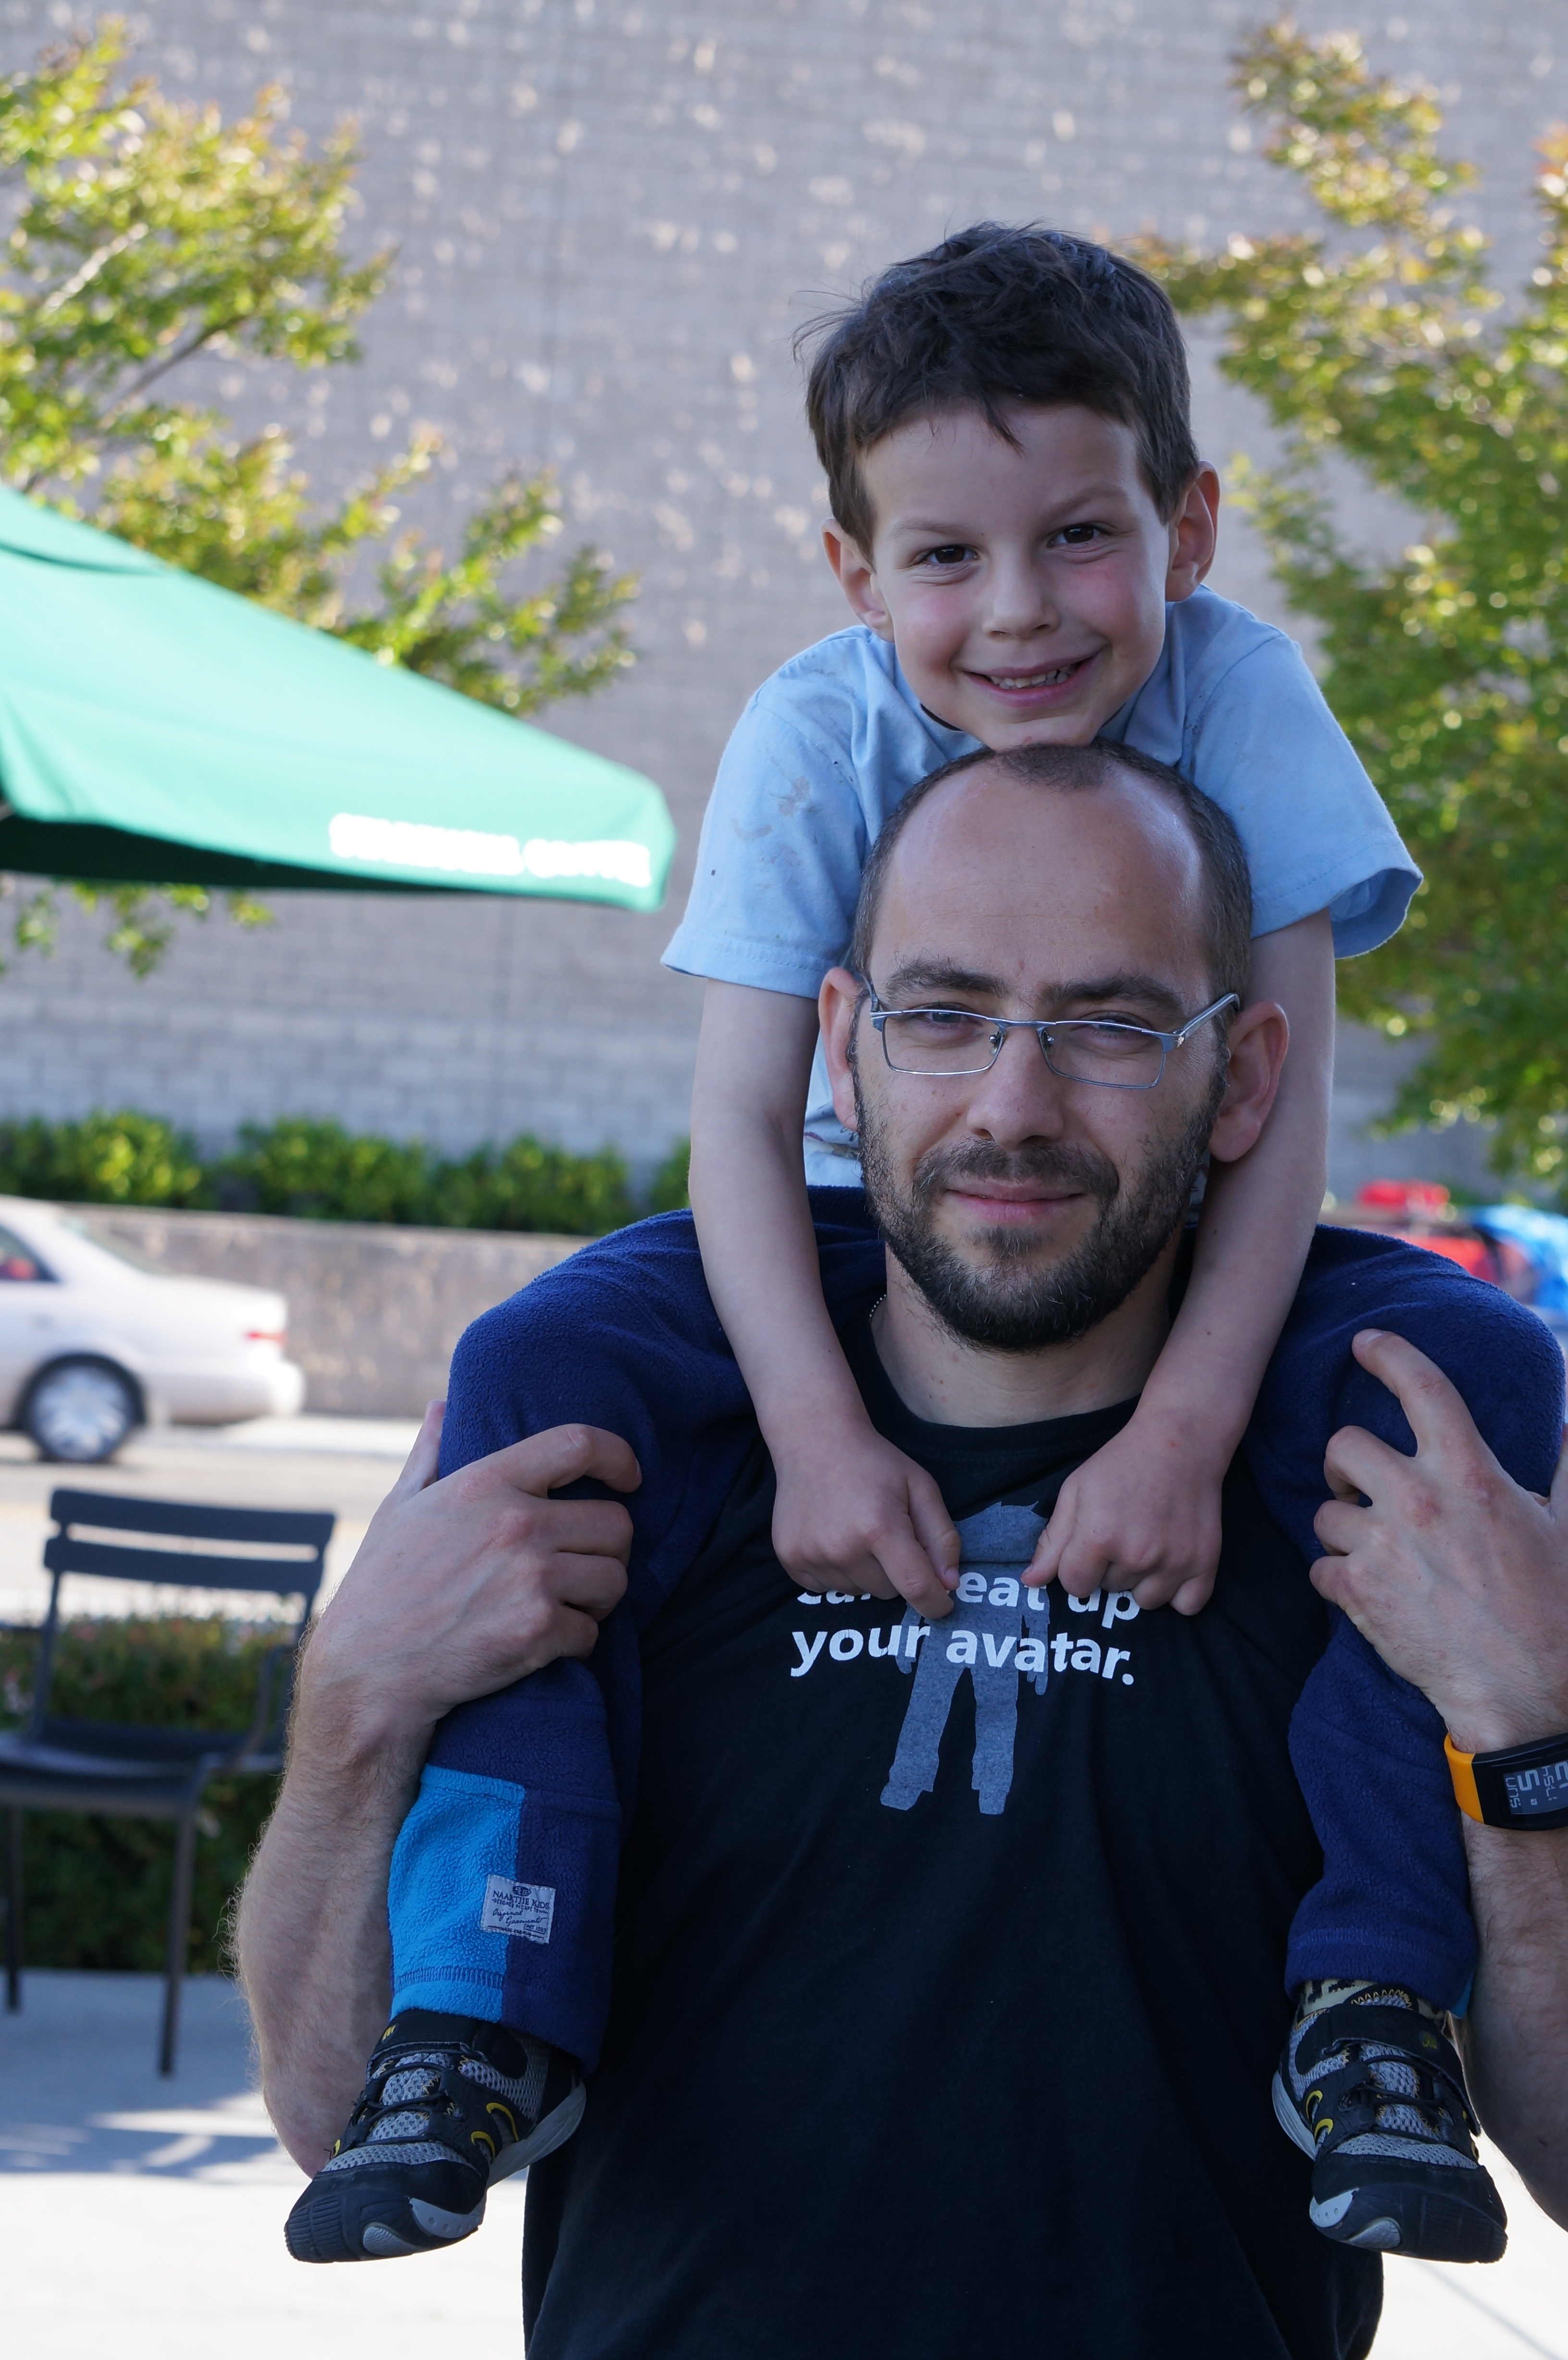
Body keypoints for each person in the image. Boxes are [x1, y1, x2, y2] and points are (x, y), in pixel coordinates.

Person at [280, 221, 1429, 2246]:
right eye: (946, 557)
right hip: (831, 1222)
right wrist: (813, 1431)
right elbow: (737, 1119)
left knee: (1466, 1378)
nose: (1020, 611)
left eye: (1082, 538)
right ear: (854, 571)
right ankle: (479, 1999)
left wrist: (1183, 1434)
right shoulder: (816, 731)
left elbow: (1282, 1111)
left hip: (1171, 1224)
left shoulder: (1248, 702)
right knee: (534, 1369)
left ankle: (1377, 1994)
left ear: (1189, 526)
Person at [245, 750, 1568, 2356]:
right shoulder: (623, 1470)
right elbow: (331, 2114)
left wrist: (1532, 1725)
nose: (1013, 1105)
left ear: (1241, 1078)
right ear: (841, 1048)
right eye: (944, 1014)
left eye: (1111, 1026)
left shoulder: (1390, 1509)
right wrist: (354, 1704)